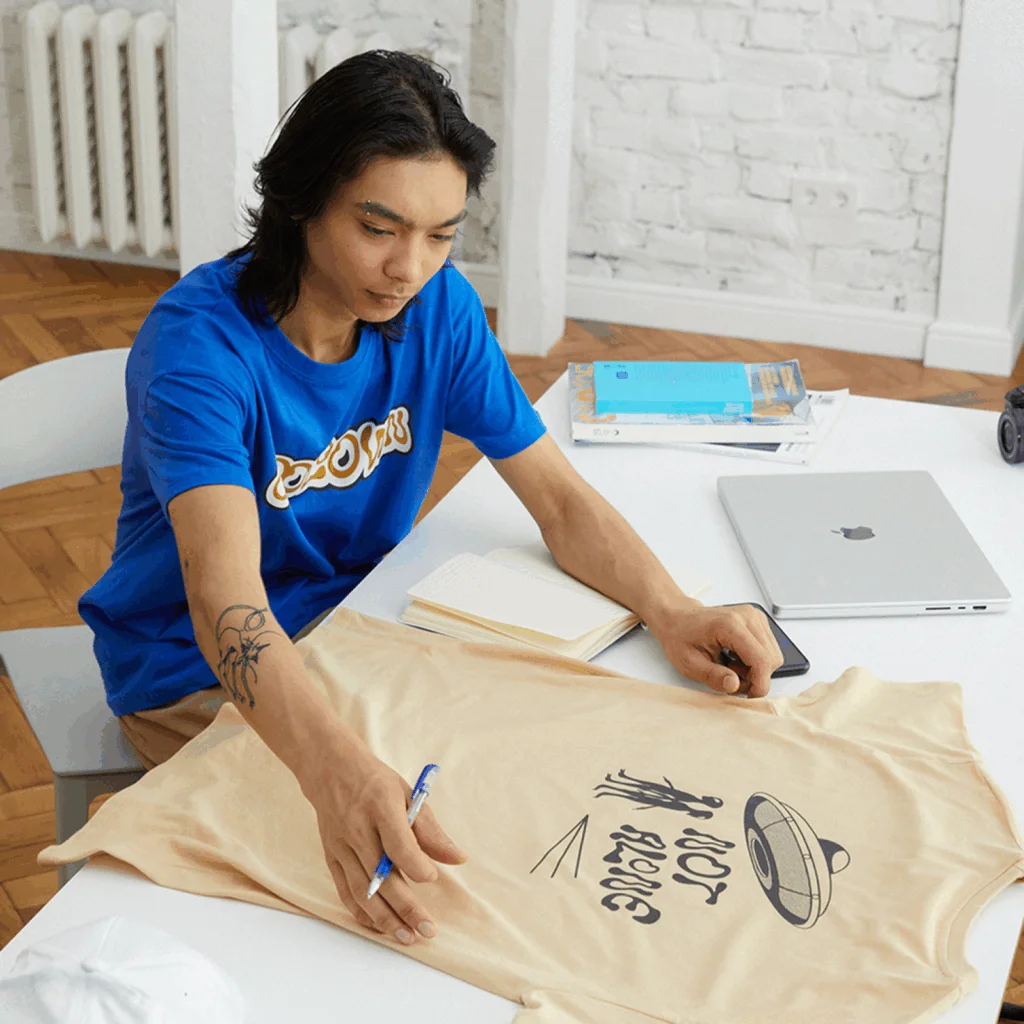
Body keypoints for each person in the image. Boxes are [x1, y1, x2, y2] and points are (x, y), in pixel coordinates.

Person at [78, 51, 783, 951]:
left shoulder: (438, 309)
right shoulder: (200, 350)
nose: (409, 266)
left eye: (441, 235)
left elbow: (558, 501)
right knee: (396, 895)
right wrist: (336, 775)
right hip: (192, 669)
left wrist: (672, 608)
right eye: (379, 228)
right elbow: (228, 607)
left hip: (360, 626)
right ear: (300, 202)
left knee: (534, 796)